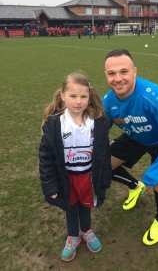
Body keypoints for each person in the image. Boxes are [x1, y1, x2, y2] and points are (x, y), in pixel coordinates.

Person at [102, 49, 158, 246]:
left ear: (134, 72)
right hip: (134, 138)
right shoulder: (108, 101)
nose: (118, 79)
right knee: (103, 166)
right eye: (111, 73)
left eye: (124, 71)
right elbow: (100, 130)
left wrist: (156, 170)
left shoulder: (153, 96)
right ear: (106, 75)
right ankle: (135, 186)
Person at [39, 73, 111, 261]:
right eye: (73, 96)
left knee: (85, 206)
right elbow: (46, 159)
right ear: (62, 96)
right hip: (66, 179)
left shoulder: (99, 123)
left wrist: (104, 178)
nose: (78, 101)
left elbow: (104, 154)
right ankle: (72, 236)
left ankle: (87, 231)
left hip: (88, 177)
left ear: (89, 96)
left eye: (83, 96)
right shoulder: (54, 125)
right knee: (71, 208)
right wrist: (50, 187)